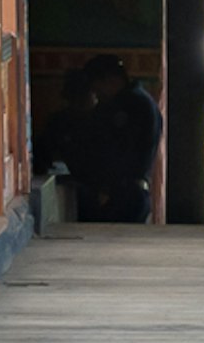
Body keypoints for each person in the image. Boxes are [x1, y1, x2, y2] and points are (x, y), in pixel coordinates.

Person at [56, 54, 160, 224]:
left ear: (110, 80)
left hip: (122, 195)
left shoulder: (129, 106)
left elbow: (114, 152)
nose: (97, 95)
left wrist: (103, 186)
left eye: (97, 88)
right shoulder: (140, 100)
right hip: (130, 193)